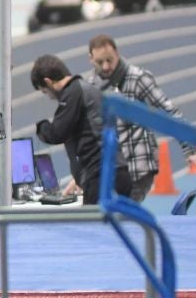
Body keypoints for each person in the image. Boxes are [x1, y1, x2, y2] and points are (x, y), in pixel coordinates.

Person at [83, 33, 196, 201]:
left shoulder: (138, 78)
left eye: (110, 60)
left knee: (126, 216)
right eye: (99, 62)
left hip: (138, 166)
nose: (106, 66)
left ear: (117, 53)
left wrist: (189, 149)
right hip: (111, 169)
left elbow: (168, 111)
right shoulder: (91, 86)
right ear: (90, 59)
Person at [31, 53, 132, 205]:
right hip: (115, 172)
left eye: (45, 91)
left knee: (93, 227)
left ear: (48, 82)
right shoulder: (85, 89)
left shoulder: (72, 93)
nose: (50, 97)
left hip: (102, 177)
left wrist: (41, 127)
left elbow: (57, 133)